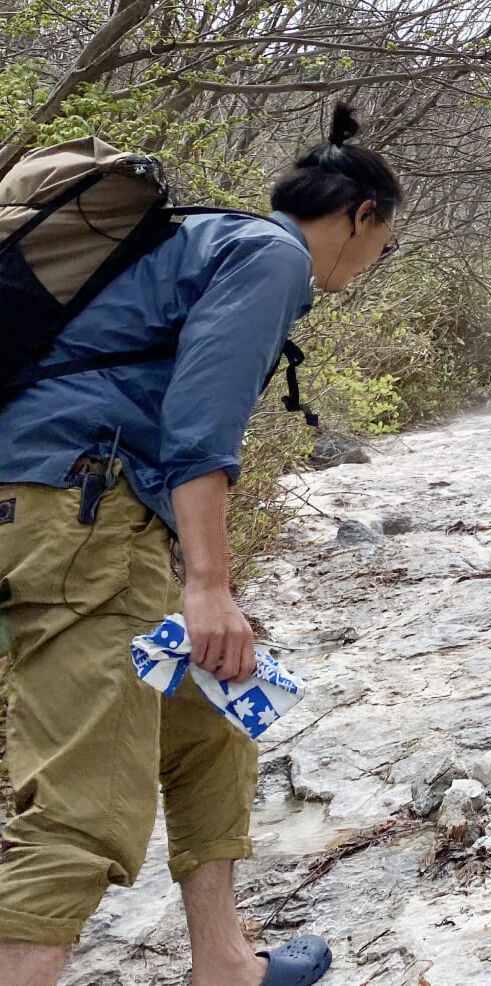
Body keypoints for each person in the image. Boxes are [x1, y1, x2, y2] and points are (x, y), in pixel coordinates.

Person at [0, 104, 400, 986]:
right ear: (362, 216)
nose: (376, 262)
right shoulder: (271, 256)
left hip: (71, 510)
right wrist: (210, 587)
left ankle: (225, 962)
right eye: (384, 244)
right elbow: (198, 427)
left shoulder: (199, 241)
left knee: (214, 716)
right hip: (80, 518)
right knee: (82, 808)